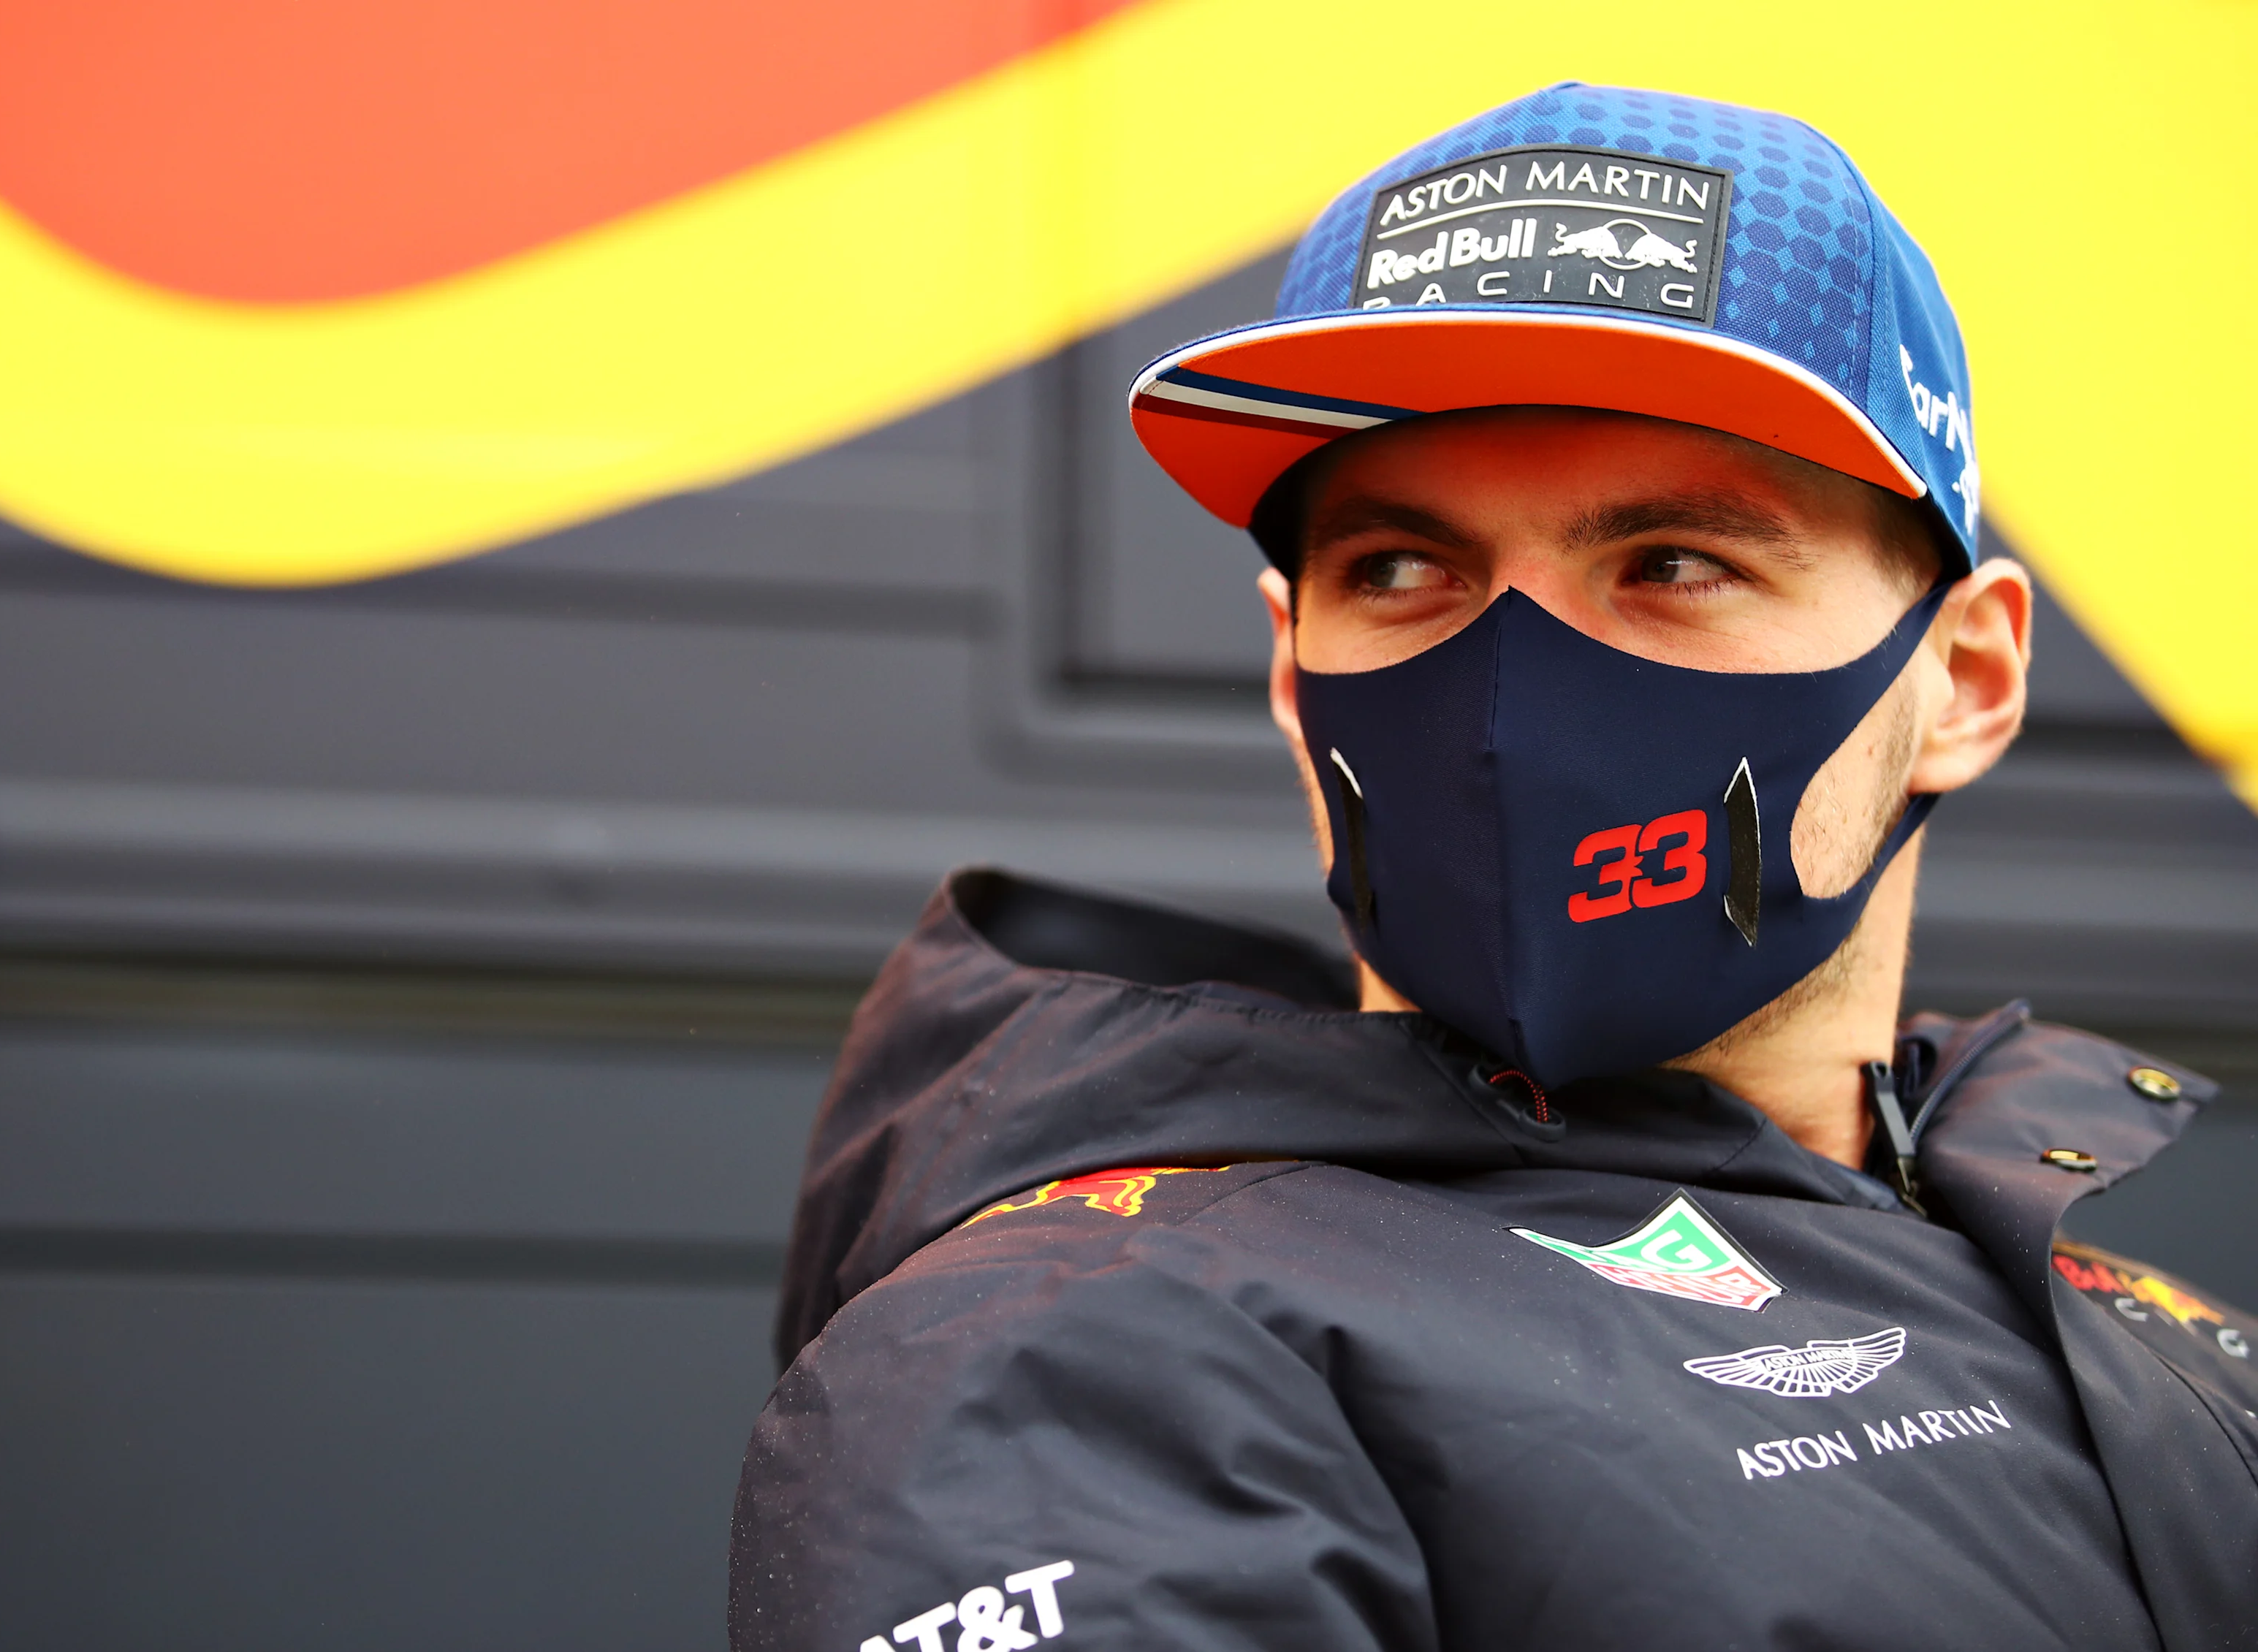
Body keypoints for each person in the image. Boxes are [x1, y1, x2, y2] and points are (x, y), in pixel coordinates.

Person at [729, 85, 2258, 1650]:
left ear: (1968, 676)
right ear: (1288, 672)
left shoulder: (2163, 1332)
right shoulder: (1081, 1348)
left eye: (1672, 563)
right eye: (1400, 569)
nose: (1511, 695)